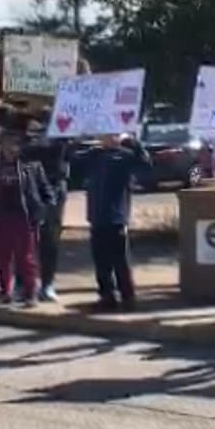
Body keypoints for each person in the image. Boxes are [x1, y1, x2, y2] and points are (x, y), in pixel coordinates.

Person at [0, 130, 53, 307]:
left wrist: (43, 210)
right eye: (7, 144)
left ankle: (30, 293)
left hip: (24, 217)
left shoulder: (31, 166)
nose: (11, 148)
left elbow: (46, 191)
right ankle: (5, 292)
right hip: (1, 217)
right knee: (2, 257)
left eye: (15, 144)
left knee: (26, 257)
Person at [83, 132, 151, 312]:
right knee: (100, 261)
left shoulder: (125, 155)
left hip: (116, 216)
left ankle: (128, 296)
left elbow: (145, 166)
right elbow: (73, 162)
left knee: (120, 259)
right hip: (96, 216)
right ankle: (107, 295)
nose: (108, 138)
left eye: (113, 135)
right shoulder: (94, 155)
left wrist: (133, 142)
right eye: (105, 135)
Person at [22, 111, 70, 302]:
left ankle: (47, 283)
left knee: (50, 239)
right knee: (26, 238)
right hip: (30, 188)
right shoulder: (27, 140)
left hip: (54, 189)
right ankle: (24, 283)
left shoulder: (62, 141)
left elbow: (63, 155)